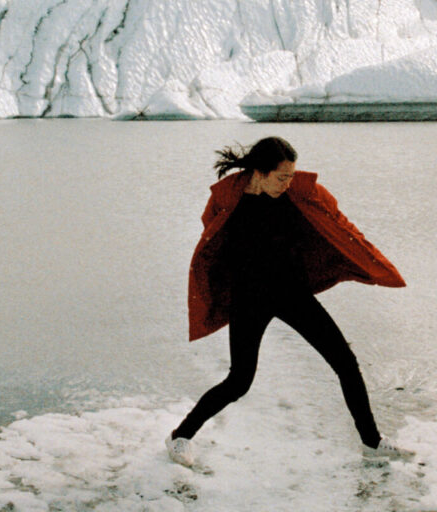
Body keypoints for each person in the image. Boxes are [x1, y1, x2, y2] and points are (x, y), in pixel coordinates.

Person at [166, 136, 414, 467]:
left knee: (345, 363)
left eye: (291, 175)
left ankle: (372, 443)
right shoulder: (229, 197)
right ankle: (179, 437)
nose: (288, 182)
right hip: (249, 297)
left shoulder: (301, 192)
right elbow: (211, 231)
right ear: (260, 172)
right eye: (282, 176)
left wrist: (368, 256)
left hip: (292, 292)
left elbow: (338, 223)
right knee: (239, 381)